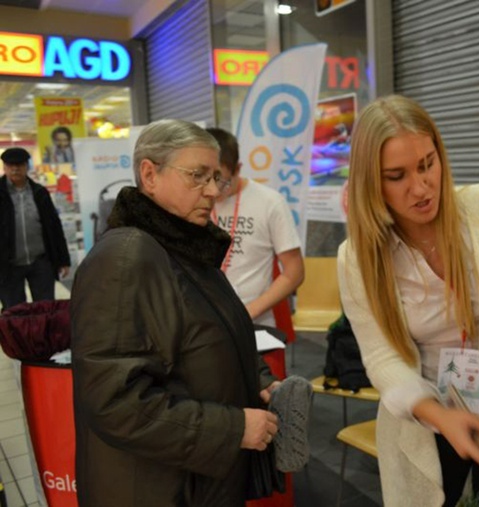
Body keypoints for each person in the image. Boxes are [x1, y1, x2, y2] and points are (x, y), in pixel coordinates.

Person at [337, 95, 479, 507]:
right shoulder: (359, 257)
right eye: (397, 175)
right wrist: (439, 414)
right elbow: (382, 359)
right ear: (371, 181)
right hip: (425, 422)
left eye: (427, 164)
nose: (421, 187)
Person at [70, 119, 283, 507]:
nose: (213, 191)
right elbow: (114, 400)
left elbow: (204, 338)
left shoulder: (183, 246)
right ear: (150, 175)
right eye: (197, 176)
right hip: (154, 488)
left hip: (194, 480)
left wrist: (258, 379)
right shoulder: (126, 257)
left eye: (216, 177)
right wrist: (232, 429)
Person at [206, 127, 304, 327]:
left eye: (222, 181)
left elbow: (294, 272)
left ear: (238, 169)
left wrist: (248, 312)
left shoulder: (270, 202)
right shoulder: (195, 200)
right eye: (207, 179)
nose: (214, 190)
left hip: (255, 321)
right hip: (207, 320)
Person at [0, 147, 70, 311]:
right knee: (14, 311)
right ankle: (18, 338)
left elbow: (54, 227)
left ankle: (44, 337)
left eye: (20, 165)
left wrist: (63, 260)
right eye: (11, 165)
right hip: (8, 264)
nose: (15, 169)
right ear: (4, 167)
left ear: (27, 166)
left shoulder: (40, 192)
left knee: (45, 309)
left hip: (41, 262)